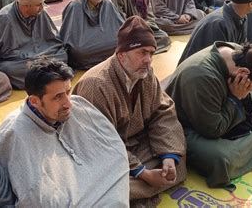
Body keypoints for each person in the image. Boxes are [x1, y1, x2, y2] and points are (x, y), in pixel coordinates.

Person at [73, 16, 187, 206]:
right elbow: (99, 142)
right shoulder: (96, 84)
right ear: (122, 55)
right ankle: (134, 190)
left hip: (135, 145)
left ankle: (133, 192)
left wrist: (168, 156)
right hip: (103, 154)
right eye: (142, 52)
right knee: (100, 183)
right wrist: (142, 172)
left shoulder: (146, 72)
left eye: (151, 53)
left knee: (177, 161)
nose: (148, 60)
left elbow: (162, 111)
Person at [0, 58, 130, 206]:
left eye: (68, 92)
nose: (68, 103)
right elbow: (35, 198)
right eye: (58, 97)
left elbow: (114, 152)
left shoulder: (77, 105)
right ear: (34, 102)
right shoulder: (14, 134)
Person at [166, 42, 252, 189]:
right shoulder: (201, 75)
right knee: (221, 158)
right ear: (244, 73)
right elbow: (213, 130)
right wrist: (234, 99)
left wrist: (244, 97)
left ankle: (248, 143)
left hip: (225, 112)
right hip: (187, 125)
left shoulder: (241, 55)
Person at [0, 0, 67, 89]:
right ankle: (47, 77)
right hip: (19, 61)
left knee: (63, 55)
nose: (42, 7)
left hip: (42, 54)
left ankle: (41, 76)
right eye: (39, 4)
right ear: (26, 5)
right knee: (9, 69)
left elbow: (53, 41)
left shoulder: (40, 12)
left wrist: (40, 57)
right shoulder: (5, 18)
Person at [179, 0, 252, 64]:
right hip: (198, 71)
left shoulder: (242, 16)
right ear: (251, 4)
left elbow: (240, 50)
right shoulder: (219, 24)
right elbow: (215, 62)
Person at [59, 0, 124, 69]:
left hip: (102, 38)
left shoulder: (107, 2)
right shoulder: (75, 6)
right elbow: (69, 35)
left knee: (121, 42)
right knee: (79, 51)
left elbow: (119, 25)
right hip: (84, 45)